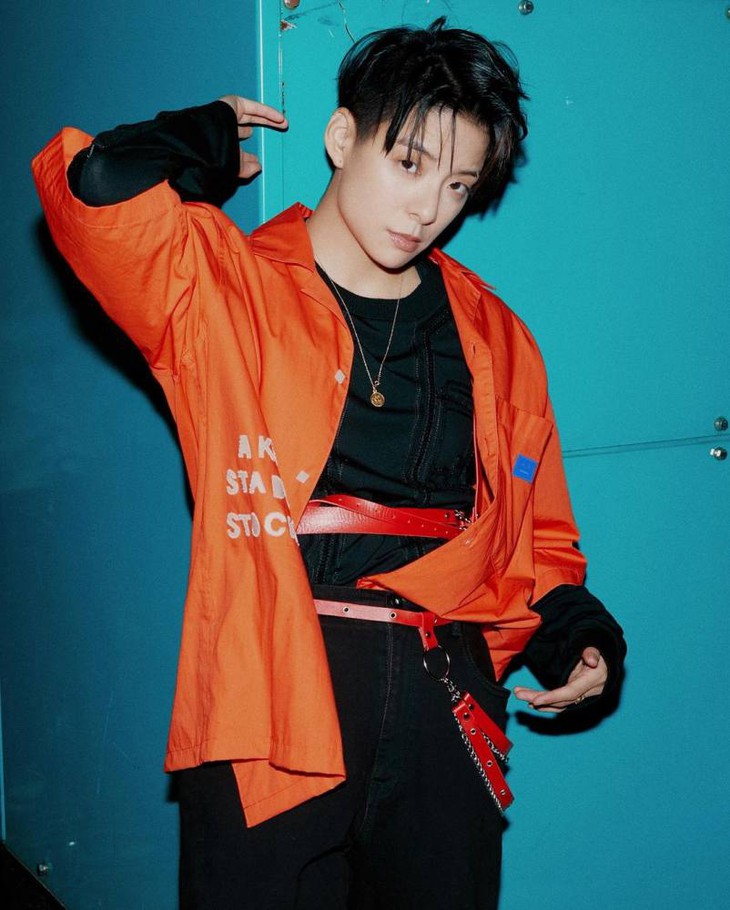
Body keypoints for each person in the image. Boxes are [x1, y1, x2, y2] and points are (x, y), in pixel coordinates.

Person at [33, 18, 625, 910]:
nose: (428, 209)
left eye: (458, 185)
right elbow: (95, 190)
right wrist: (199, 138)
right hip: (275, 684)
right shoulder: (224, 286)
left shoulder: (497, 337)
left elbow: (535, 540)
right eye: (409, 164)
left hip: (442, 691)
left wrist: (575, 635)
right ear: (343, 137)